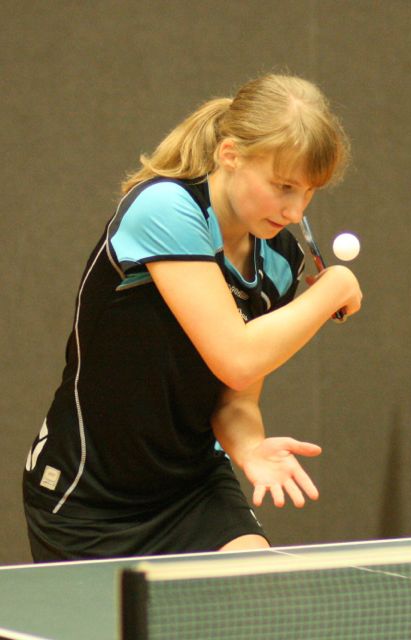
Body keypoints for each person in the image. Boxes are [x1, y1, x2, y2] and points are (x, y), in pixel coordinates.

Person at [23, 73, 362, 562]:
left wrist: (249, 447)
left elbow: (234, 398)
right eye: (283, 186)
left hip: (192, 487)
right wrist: (334, 288)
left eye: (309, 193)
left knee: (260, 594)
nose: (294, 210)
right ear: (231, 155)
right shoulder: (166, 208)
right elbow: (236, 358)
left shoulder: (279, 260)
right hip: (88, 495)